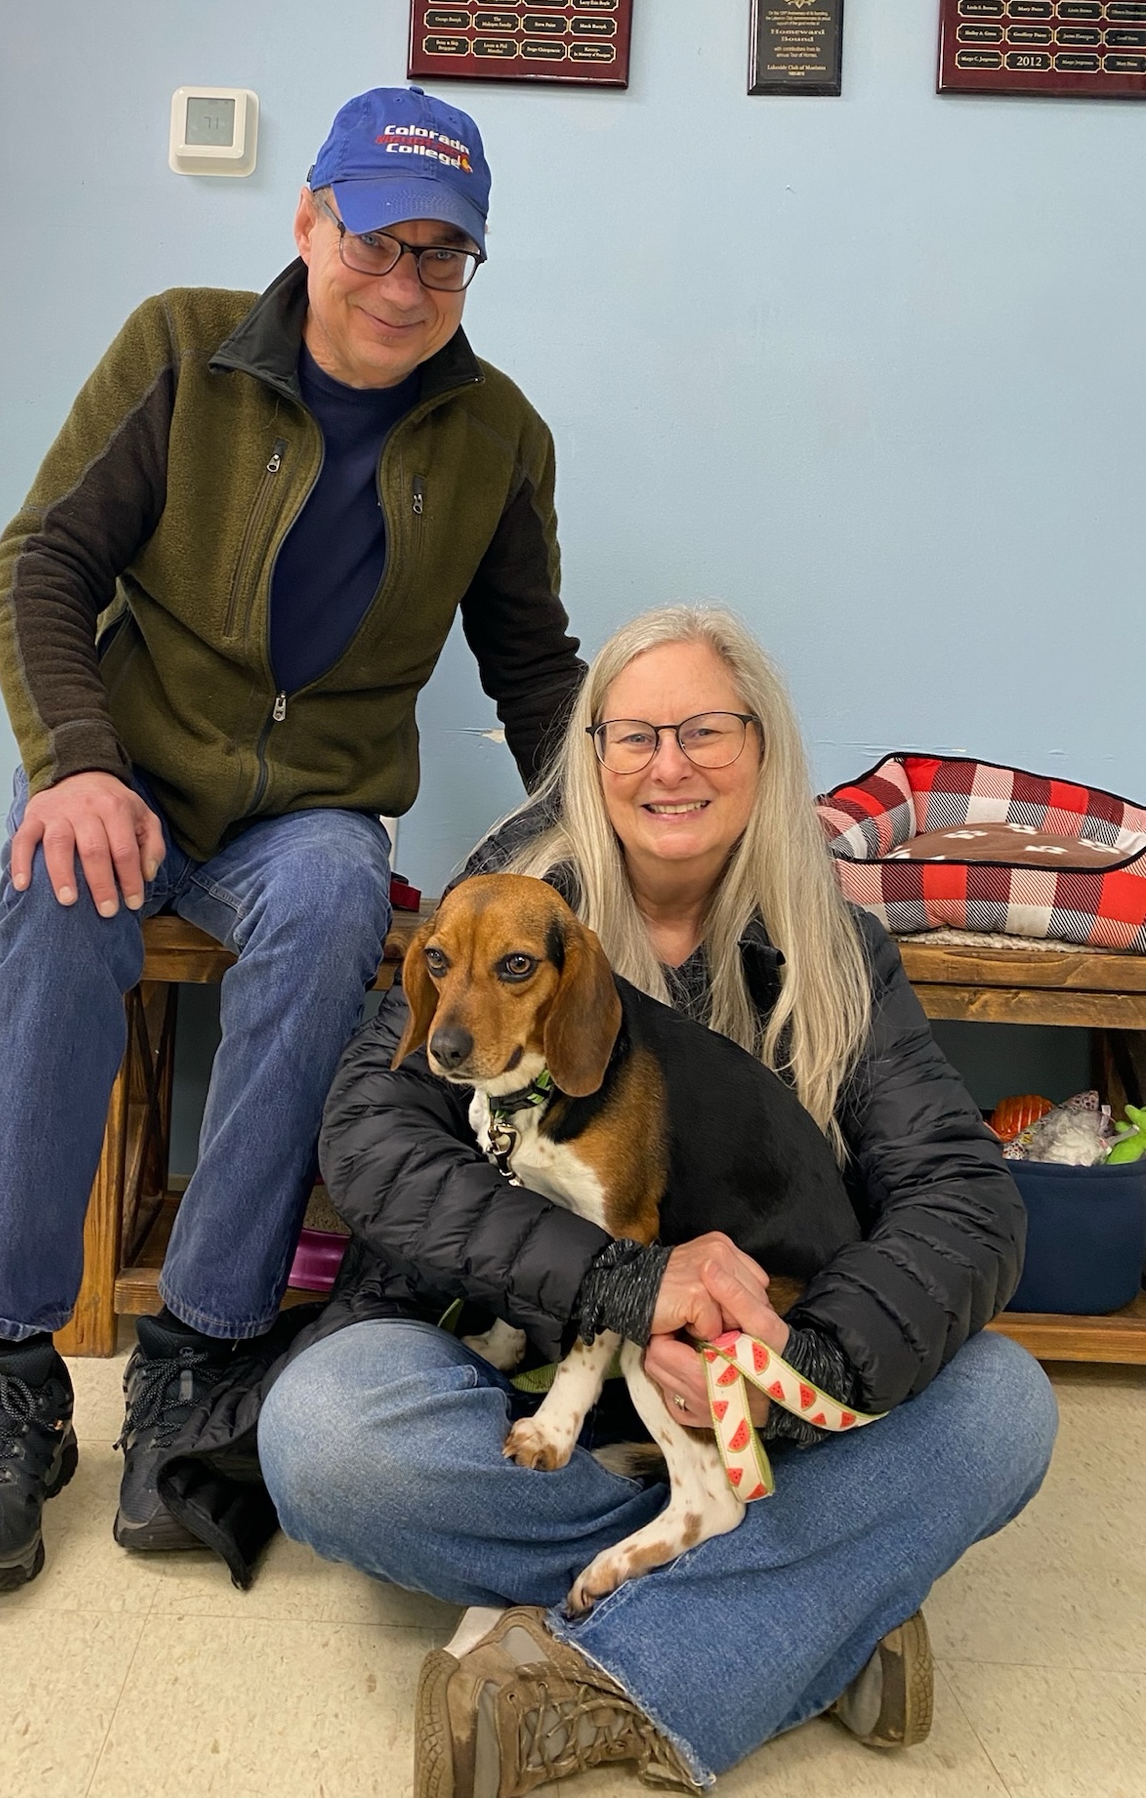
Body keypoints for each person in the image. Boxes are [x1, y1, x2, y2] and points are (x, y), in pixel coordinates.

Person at [0, 86, 585, 1594]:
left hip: (311, 812)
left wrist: (610, 830)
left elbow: (534, 667)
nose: (404, 282)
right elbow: (44, 560)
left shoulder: (499, 436)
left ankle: (198, 1357)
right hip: (126, 773)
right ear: (310, 223)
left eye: (443, 255)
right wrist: (76, 766)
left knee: (338, 896)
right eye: (376, 240)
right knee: (59, 890)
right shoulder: (180, 347)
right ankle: (7, 1373)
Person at [257, 605, 1055, 1795]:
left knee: (1005, 1404)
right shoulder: (503, 909)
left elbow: (963, 1194)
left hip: (751, 1387)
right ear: (592, 758)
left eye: (705, 730)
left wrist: (801, 1365)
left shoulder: (839, 951)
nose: (668, 764)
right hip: (518, 1367)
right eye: (632, 735)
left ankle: (613, 1662)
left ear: (763, 751)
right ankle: (820, 1598)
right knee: (325, 1434)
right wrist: (624, 1283)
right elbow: (372, 1143)